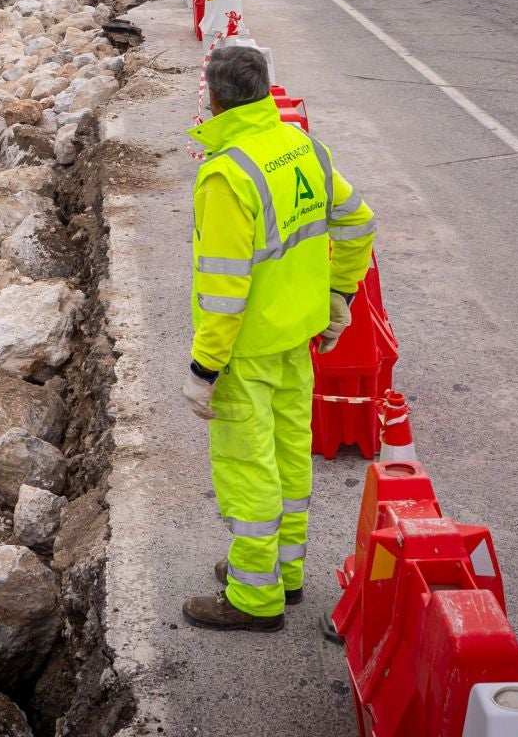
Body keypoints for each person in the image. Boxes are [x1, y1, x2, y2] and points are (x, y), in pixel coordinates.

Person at [180, 46, 376, 631]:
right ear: (266, 90)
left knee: (248, 470)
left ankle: (253, 598)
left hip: (248, 349)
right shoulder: (304, 148)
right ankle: (283, 574)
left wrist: (203, 369)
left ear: (212, 98)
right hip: (299, 339)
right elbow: (359, 222)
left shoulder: (226, 176)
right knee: (291, 457)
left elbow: (223, 291)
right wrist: (339, 295)